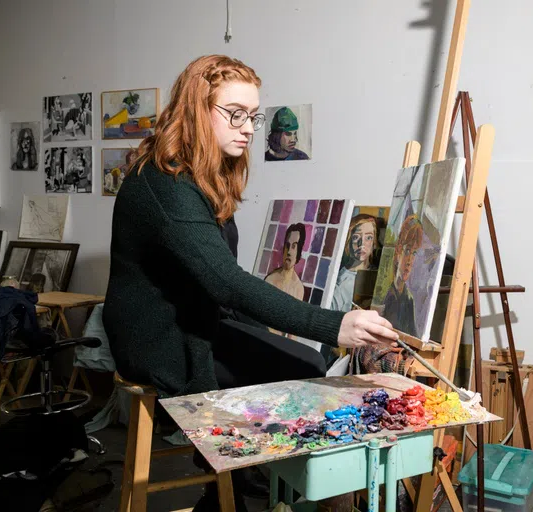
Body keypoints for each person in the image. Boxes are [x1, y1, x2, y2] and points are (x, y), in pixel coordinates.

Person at [102, 55, 397, 511]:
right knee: (301, 370)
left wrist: (279, 327)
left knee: (305, 358)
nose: (248, 127)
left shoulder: (205, 173)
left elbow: (215, 279)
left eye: (253, 116)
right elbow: (226, 282)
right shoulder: (166, 183)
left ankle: (237, 492)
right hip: (157, 337)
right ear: (197, 110)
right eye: (234, 114)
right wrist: (335, 325)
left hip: (195, 318)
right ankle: (244, 493)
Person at [380, 214, 423, 337]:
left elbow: (413, 336)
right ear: (398, 251)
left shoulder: (409, 299)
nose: (409, 261)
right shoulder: (386, 296)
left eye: (414, 253)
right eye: (407, 251)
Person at [331, 214, 381, 312]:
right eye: (356, 237)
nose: (361, 243)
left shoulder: (378, 273)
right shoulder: (341, 282)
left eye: (369, 238)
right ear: (348, 241)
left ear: (374, 243)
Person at [264, 223, 306, 300]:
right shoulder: (270, 280)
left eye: (294, 246)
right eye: (287, 245)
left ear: (299, 251)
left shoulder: (299, 289)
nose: (289, 251)